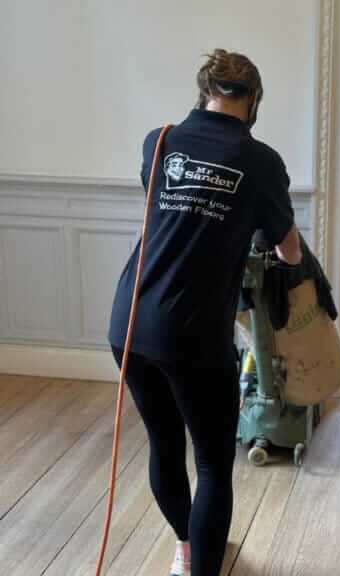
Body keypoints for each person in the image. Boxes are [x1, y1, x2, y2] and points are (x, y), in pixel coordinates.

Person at [107, 49, 302, 576]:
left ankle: (185, 549)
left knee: (165, 443)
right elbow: (289, 253)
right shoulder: (260, 161)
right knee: (214, 463)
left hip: (129, 321)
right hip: (191, 334)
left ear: (204, 93)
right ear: (253, 100)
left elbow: (167, 206)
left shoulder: (160, 140)